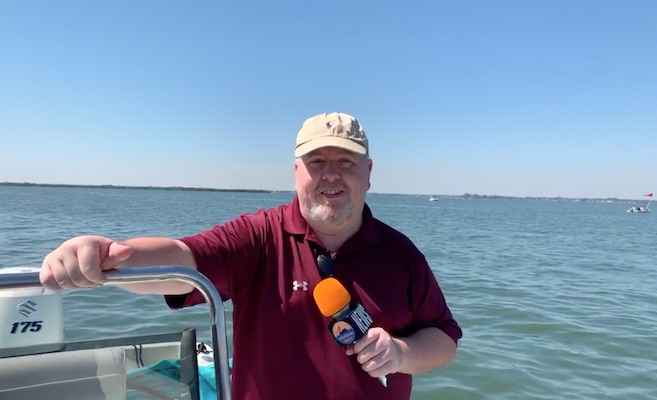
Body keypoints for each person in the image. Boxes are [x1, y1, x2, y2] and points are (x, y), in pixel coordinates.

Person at [40, 112, 462, 400]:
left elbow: (443, 338)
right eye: (317, 161)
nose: (330, 174)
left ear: (369, 172)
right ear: (297, 172)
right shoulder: (259, 236)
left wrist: (402, 354)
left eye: (346, 162)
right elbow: (185, 258)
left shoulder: (402, 254)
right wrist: (112, 255)